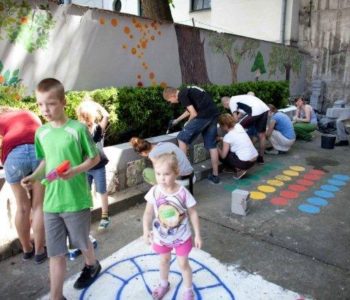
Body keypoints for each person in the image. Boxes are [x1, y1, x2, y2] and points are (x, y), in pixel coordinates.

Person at [21, 78, 101, 300]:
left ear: (64, 102)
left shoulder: (77, 129)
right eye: (40, 104)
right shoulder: (41, 133)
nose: (45, 109)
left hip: (76, 200)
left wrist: (75, 171)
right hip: (50, 203)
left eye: (51, 103)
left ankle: (92, 264)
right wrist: (33, 177)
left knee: (82, 241)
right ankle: (57, 296)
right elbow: (46, 161)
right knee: (56, 253)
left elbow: (94, 159)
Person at [142, 153, 202, 300]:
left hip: (182, 237)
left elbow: (193, 213)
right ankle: (164, 284)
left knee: (183, 264)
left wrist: (198, 234)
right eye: (158, 174)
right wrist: (145, 230)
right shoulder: (155, 191)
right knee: (164, 261)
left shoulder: (183, 193)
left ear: (176, 173)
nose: (162, 178)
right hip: (161, 237)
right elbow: (148, 213)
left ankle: (188, 290)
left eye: (167, 174)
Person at [0, 106, 46, 264]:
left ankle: (27, 250)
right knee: (39, 205)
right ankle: (40, 251)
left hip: (14, 157)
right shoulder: (30, 113)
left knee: (22, 207)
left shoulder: (2, 118)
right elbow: (42, 132)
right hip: (39, 152)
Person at [163, 86, 220, 184]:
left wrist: (187, 123)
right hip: (213, 114)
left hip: (204, 115)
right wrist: (177, 121)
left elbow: (193, 114)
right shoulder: (186, 91)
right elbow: (189, 110)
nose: (171, 103)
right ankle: (215, 175)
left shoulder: (181, 95)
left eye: (169, 100)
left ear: (172, 95)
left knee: (181, 138)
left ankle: (184, 171)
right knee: (211, 145)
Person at [76, 97, 111, 229]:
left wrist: (95, 105)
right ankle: (85, 217)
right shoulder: (79, 130)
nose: (85, 120)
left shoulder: (97, 129)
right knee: (86, 192)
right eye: (83, 117)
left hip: (98, 166)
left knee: (101, 190)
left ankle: (105, 215)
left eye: (87, 117)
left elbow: (106, 115)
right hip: (85, 167)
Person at [221, 92, 269, 164]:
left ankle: (239, 153)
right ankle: (260, 158)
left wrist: (227, 121)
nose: (226, 108)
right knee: (262, 135)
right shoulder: (240, 99)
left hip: (255, 110)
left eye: (225, 106)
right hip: (264, 109)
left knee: (236, 128)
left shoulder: (232, 101)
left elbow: (235, 120)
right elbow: (241, 114)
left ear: (225, 103)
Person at [130, 137, 194, 189]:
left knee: (147, 172)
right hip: (191, 174)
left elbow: (157, 172)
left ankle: (164, 192)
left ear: (143, 152)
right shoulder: (165, 143)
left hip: (180, 178)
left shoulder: (152, 155)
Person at [217, 114, 258, 179]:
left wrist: (216, 147)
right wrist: (221, 138)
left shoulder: (227, 137)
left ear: (224, 126)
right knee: (231, 151)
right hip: (254, 159)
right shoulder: (239, 126)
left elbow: (223, 156)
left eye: (221, 126)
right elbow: (235, 138)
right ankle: (234, 168)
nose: (221, 128)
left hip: (245, 163)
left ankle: (240, 169)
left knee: (222, 155)